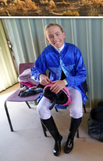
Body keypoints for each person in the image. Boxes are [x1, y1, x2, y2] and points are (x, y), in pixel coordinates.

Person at [31, 23, 87, 156]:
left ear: (63, 34)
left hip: (72, 87)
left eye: (57, 34)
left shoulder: (74, 50)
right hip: (53, 88)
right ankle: (57, 138)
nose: (55, 38)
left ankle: (70, 138)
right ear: (47, 39)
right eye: (50, 36)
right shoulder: (46, 52)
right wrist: (40, 76)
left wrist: (66, 81)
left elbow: (82, 74)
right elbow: (35, 70)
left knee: (77, 110)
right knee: (41, 108)